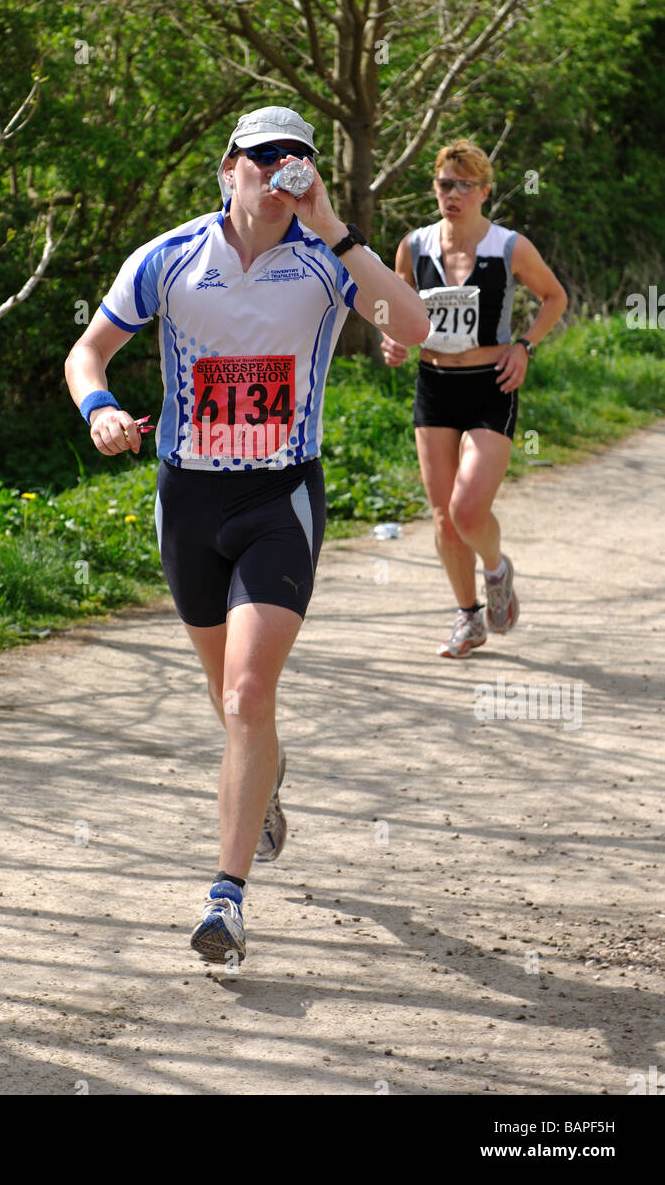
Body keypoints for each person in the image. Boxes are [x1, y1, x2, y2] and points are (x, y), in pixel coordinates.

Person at [64, 105, 430, 964]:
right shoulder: (167, 258)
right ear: (227, 168)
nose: (280, 174)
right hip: (187, 500)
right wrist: (101, 409)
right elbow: (89, 353)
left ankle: (224, 901)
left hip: (279, 501)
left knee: (243, 696)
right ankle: (262, 777)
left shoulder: (326, 262)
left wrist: (334, 225)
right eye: (264, 160)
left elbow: (410, 329)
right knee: (226, 697)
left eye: (297, 160)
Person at [381, 138, 568, 658]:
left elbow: (555, 297)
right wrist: (393, 338)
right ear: (435, 188)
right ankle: (468, 617)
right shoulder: (413, 247)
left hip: (491, 384)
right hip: (435, 385)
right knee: (442, 516)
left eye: (466, 185)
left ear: (485, 191)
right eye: (445, 183)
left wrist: (525, 346)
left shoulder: (509, 247)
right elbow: (397, 306)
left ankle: (496, 568)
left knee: (467, 511)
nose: (453, 193)